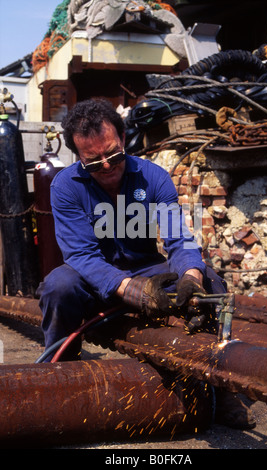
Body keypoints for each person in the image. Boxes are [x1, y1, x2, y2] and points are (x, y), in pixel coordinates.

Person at [37, 98, 255, 429]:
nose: (107, 166)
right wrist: (132, 291)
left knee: (211, 280)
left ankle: (221, 388)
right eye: (94, 162)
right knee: (58, 286)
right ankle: (61, 374)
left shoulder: (153, 177)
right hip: (94, 274)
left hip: (145, 267)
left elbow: (178, 240)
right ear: (78, 158)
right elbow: (82, 256)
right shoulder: (65, 186)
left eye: (113, 154)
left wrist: (191, 278)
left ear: (123, 138)